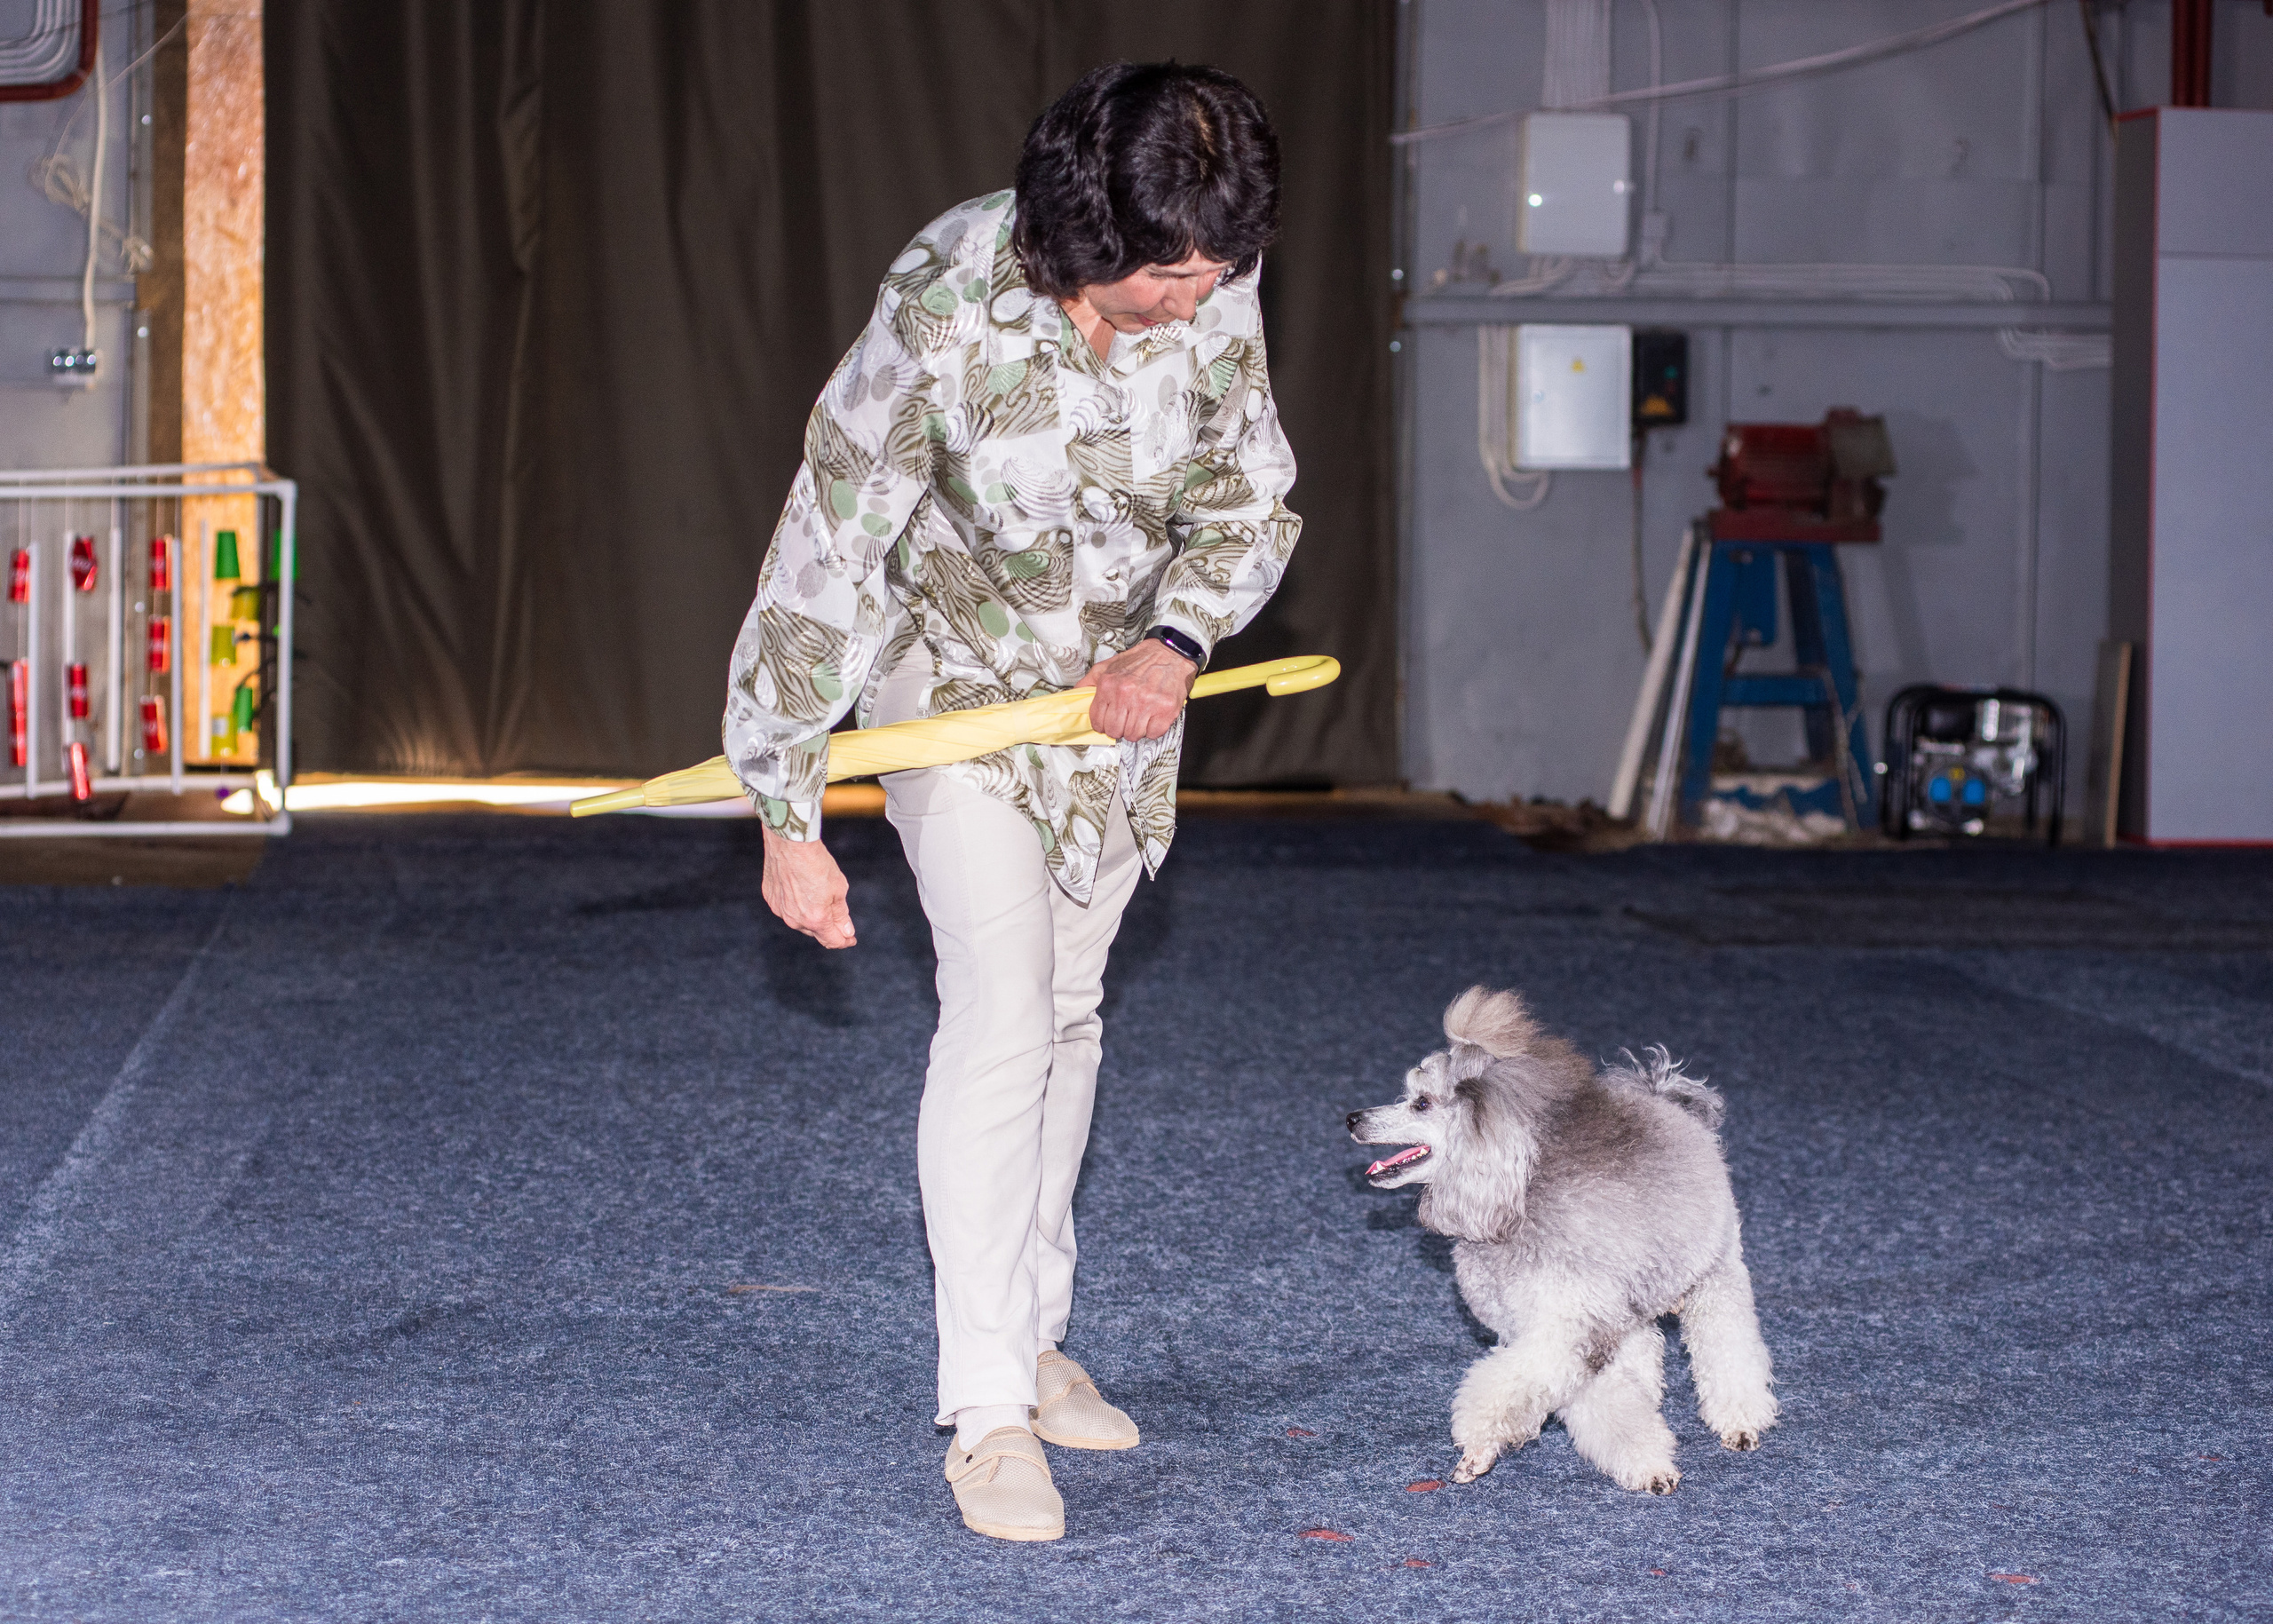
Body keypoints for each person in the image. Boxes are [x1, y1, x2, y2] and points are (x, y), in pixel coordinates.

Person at [722, 61, 1299, 1543]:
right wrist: (786, 799)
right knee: (997, 1005)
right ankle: (982, 1409)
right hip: (957, 687)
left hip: (1112, 716)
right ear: (1082, 237)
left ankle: (1036, 1339)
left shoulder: (1212, 284)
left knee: (1069, 1008)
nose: (1205, 296)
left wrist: (1175, 643)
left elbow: (1248, 498)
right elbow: (832, 539)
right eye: (1175, 274)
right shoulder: (944, 300)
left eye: (1222, 269)